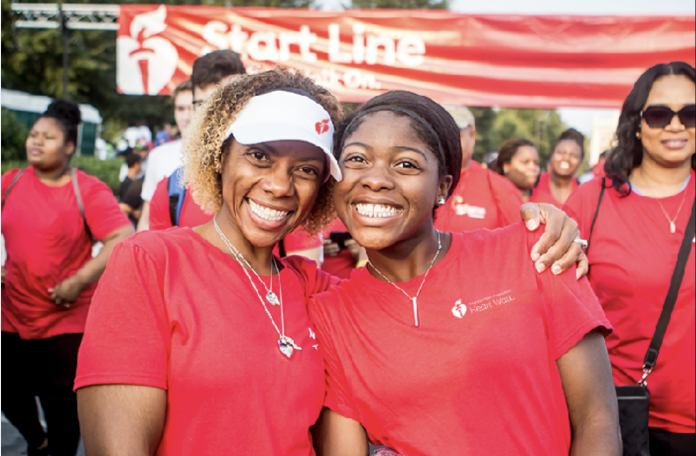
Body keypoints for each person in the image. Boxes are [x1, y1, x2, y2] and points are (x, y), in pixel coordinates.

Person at [75, 69, 587, 455]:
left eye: (304, 168)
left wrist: (546, 224)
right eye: (259, 157)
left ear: (323, 185)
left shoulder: (317, 292)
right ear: (219, 157)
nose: (279, 184)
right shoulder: (150, 263)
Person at [308, 91, 621, 455]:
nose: (375, 179)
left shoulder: (534, 250)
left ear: (442, 186)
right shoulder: (330, 316)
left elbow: (596, 419)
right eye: (357, 159)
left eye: (406, 164)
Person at [564, 61, 695, 456]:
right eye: (659, 114)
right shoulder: (593, 199)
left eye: (690, 113)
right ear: (637, 123)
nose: (676, 125)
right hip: (622, 420)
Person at [1, 100, 134, 456]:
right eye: (34, 135)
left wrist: (78, 281)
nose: (36, 142)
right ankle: (36, 441)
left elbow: (121, 237)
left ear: (70, 146)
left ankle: (53, 447)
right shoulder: (10, 182)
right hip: (11, 313)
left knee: (62, 412)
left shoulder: (86, 190)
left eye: (48, 137)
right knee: (8, 392)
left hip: (65, 321)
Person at [434, 104, 524, 232]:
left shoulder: (499, 188)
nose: (446, 141)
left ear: (472, 135)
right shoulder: (417, 181)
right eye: (440, 134)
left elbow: (520, 241)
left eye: (454, 133)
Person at [136, 79, 195, 231]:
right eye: (180, 109)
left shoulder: (220, 155)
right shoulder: (158, 155)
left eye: (193, 107)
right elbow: (146, 217)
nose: (186, 116)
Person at [531, 128, 584, 207]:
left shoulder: (583, 193)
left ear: (580, 161)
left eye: (573, 155)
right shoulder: (533, 184)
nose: (566, 158)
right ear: (551, 155)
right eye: (561, 152)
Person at [119, 152, 145, 226]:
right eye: (141, 163)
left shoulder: (127, 182)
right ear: (136, 164)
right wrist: (134, 211)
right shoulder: (129, 184)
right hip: (129, 222)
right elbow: (123, 205)